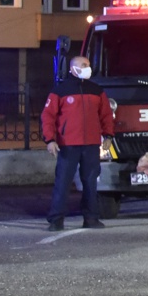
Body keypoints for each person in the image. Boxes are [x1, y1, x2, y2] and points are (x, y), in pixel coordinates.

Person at [40, 55, 117, 232]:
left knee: (91, 182)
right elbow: (48, 117)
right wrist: (50, 140)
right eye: (84, 65)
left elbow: (106, 115)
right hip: (68, 144)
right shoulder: (60, 91)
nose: (88, 68)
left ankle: (91, 218)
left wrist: (108, 136)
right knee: (63, 183)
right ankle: (56, 220)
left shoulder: (97, 90)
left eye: (88, 65)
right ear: (73, 68)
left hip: (90, 144)